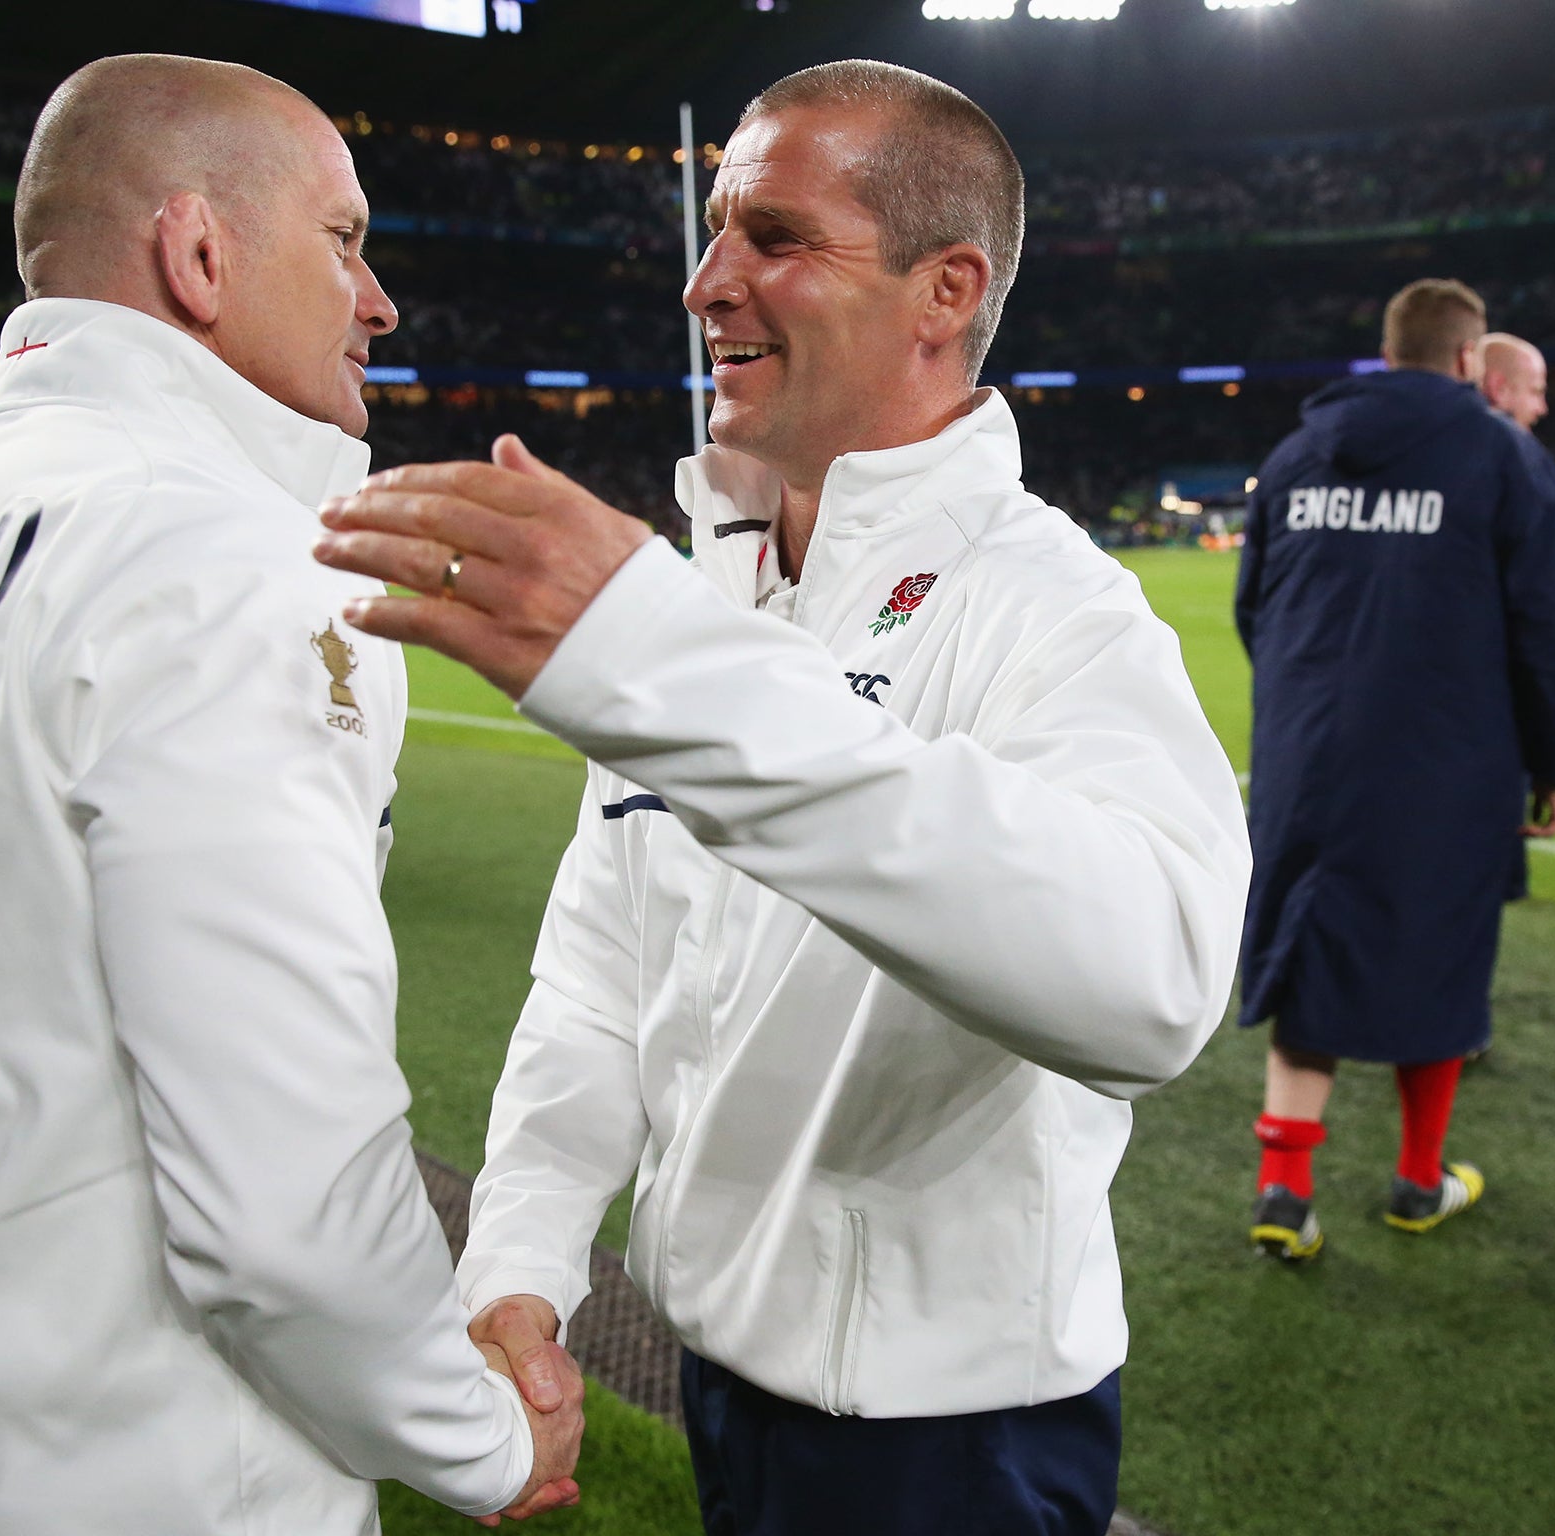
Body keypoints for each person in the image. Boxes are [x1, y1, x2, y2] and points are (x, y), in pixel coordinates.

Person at [314, 61, 1250, 1535]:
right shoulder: (709, 596)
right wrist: (521, 1266)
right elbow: (599, 979)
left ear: (946, 290)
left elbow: (1156, 988)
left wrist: (681, 685)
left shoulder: (1057, 611)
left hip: (946, 1437)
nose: (706, 284)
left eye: (775, 237)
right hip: (727, 1387)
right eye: (713, 235)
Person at [0, 54, 580, 1535]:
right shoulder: (239, 565)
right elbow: (283, 1201)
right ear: (199, 252)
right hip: (148, 1481)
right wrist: (480, 1440)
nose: (380, 301)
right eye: (344, 240)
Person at [1233, 282, 1555, 1262]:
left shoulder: (1295, 457)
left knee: (1309, 946)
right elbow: (1550, 630)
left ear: (1387, 353)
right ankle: (1416, 1180)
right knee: (1438, 957)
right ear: (1470, 359)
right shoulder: (1503, 458)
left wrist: (1312, 712)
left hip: (1307, 758)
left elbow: (1255, 610)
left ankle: (1282, 1189)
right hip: (1448, 760)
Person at [1475, 331, 1555, 738]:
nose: (1542, 408)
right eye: (1536, 391)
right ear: (1499, 388)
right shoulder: (1524, 471)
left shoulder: (1419, 462)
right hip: (1497, 715)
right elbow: (1552, 604)